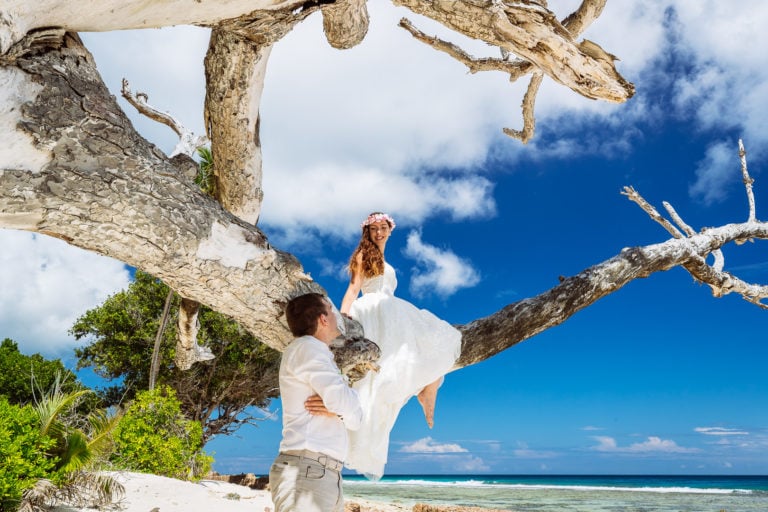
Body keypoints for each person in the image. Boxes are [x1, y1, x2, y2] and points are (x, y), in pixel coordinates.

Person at [340, 212, 462, 479]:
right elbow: (353, 288)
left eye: (383, 228)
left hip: (392, 312)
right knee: (377, 379)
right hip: (373, 311)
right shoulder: (363, 255)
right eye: (374, 229)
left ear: (390, 230)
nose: (379, 233)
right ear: (367, 232)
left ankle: (427, 390)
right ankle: (425, 393)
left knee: (429, 344)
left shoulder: (386, 260)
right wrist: (344, 318)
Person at [269, 293, 363, 512]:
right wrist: (343, 406)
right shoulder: (308, 348)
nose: (336, 316)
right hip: (308, 472)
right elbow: (345, 405)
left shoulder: (313, 351)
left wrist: (339, 409)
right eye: (331, 311)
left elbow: (353, 416)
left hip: (319, 472)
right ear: (323, 319)